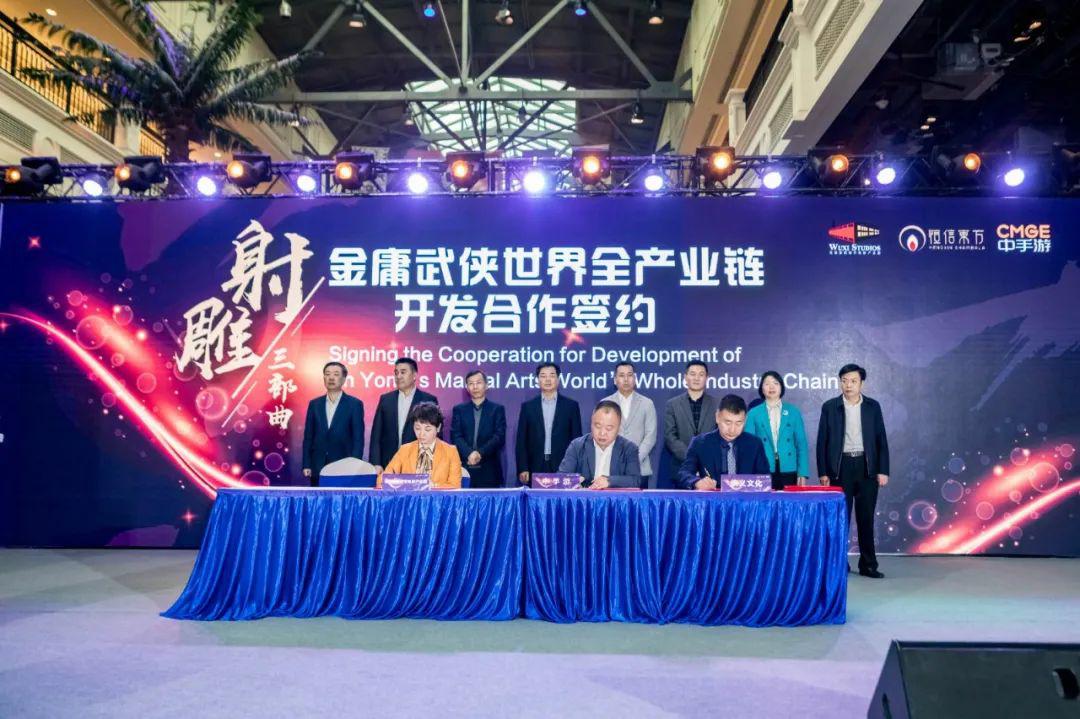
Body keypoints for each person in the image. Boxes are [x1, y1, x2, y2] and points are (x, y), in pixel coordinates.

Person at [816, 363, 890, 579]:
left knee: (866, 519)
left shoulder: (872, 407)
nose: (848, 385)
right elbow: (822, 442)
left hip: (867, 468)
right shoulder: (830, 407)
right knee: (840, 520)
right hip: (841, 468)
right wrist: (823, 472)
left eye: (853, 381)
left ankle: (868, 565)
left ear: (861, 383)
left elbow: (881, 440)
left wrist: (883, 470)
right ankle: (839, 564)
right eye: (844, 381)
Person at [677, 394, 769, 490]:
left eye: (738, 423)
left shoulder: (754, 444)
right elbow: (684, 473)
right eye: (728, 422)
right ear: (717, 417)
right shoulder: (700, 443)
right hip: (713, 498)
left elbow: (764, 479)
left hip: (746, 498)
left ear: (745, 420)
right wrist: (696, 482)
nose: (732, 430)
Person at [515, 362, 582, 485]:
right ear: (538, 380)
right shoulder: (528, 407)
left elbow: (576, 439)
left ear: (558, 379)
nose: (547, 379)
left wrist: (574, 466)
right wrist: (523, 467)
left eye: (551, 375)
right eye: (543, 376)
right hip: (535, 465)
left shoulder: (571, 406)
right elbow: (521, 440)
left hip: (563, 465)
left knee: (561, 497)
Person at [368, 357, 438, 473]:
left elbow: (435, 436)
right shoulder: (386, 400)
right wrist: (376, 463)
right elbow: (376, 435)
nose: (398, 376)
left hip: (418, 465)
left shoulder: (428, 400)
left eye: (403, 372)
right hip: (388, 463)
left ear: (414, 375)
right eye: (396, 373)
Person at [301, 362, 366, 487]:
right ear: (323, 378)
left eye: (336, 374)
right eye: (327, 374)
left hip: (344, 467)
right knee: (318, 499)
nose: (331, 378)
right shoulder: (314, 404)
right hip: (318, 466)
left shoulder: (354, 404)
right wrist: (306, 464)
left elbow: (358, 439)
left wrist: (354, 465)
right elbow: (308, 437)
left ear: (344, 379)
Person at [746, 371, 810, 490]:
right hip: (762, 468)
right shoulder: (753, 413)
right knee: (765, 501)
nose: (771, 387)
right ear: (762, 389)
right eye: (767, 384)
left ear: (781, 387)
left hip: (789, 467)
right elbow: (748, 446)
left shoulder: (793, 412)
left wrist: (802, 472)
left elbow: (801, 444)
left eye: (775, 383)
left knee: (788, 501)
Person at [558, 401, 642, 489]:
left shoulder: (629, 449)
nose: (602, 433)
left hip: (615, 497)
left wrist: (609, 481)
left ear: (619, 428)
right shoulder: (577, 446)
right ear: (591, 424)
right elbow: (561, 477)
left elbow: (635, 480)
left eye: (609, 428)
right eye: (598, 426)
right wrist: (574, 481)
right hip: (585, 497)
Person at [379, 402, 462, 489]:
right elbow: (383, 478)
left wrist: (433, 486)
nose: (421, 434)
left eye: (427, 429)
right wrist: (401, 484)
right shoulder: (405, 450)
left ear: (438, 428)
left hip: (436, 497)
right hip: (408, 497)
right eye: (417, 428)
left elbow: (455, 486)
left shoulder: (451, 452)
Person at [663, 360, 719, 487]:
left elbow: (719, 434)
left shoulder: (716, 404)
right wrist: (692, 457)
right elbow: (670, 437)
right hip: (681, 469)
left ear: (707, 378)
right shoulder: (672, 404)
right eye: (692, 374)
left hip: (710, 470)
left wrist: (703, 459)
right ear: (685, 377)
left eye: (701, 374)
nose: (696, 378)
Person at [602, 362, 657, 488]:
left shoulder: (647, 403)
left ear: (635, 378)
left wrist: (634, 460)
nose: (626, 379)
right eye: (621, 375)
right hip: (611, 468)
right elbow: (601, 434)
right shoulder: (605, 403)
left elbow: (650, 436)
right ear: (615, 380)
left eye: (629, 375)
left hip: (640, 468)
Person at [450, 370, 507, 488]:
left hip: (489, 468)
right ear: (467, 388)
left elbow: (499, 437)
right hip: (464, 467)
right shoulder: (459, 410)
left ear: (486, 385)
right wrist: (469, 453)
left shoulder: (497, 409)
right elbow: (456, 436)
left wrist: (479, 453)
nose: (475, 387)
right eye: (471, 383)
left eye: (478, 383)